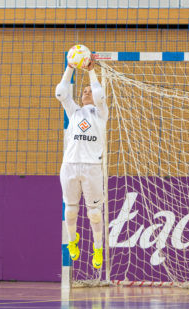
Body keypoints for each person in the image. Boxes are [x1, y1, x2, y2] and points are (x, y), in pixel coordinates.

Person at [55, 54, 107, 269]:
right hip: (69, 165)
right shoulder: (74, 111)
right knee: (70, 209)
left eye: (89, 92)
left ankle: (97, 247)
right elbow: (60, 92)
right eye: (84, 92)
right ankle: (72, 241)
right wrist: (70, 68)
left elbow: (100, 96)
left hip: (93, 167)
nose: (86, 93)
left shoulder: (101, 113)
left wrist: (91, 71)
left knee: (94, 213)